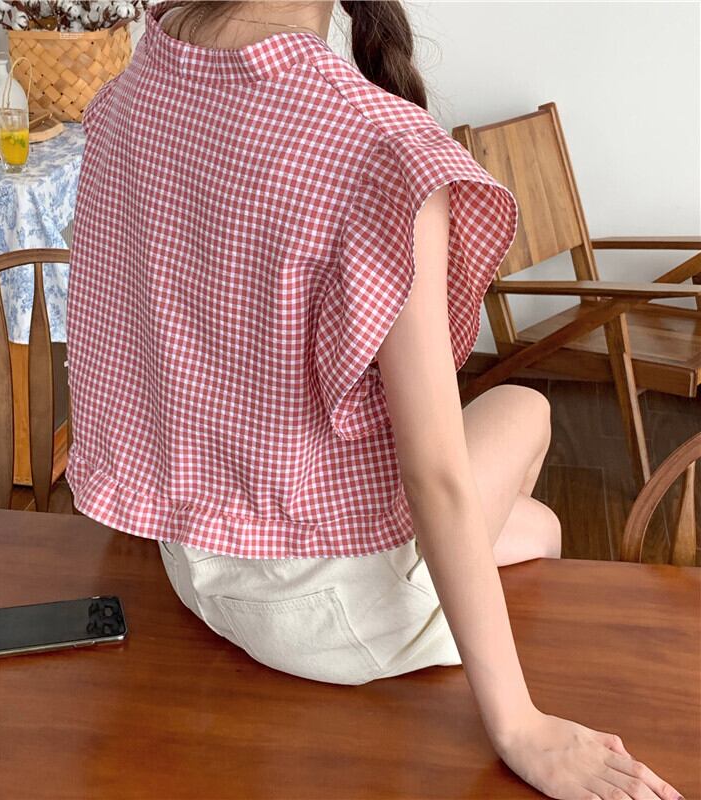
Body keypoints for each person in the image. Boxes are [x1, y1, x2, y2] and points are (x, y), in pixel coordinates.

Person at [64, 2, 684, 799]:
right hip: (325, 615)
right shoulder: (377, 147)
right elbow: (434, 472)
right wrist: (519, 727)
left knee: (534, 526)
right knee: (525, 415)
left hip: (197, 566)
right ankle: (445, 616)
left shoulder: (145, 72)